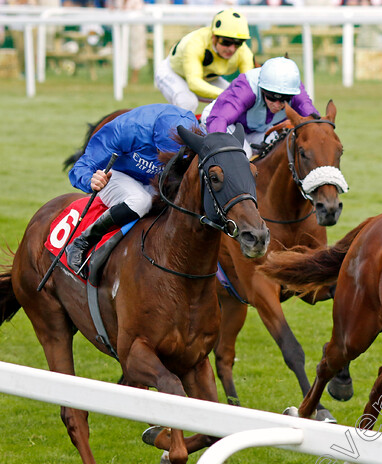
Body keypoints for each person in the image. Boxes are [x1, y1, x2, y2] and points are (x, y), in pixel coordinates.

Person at [65, 104, 201, 273]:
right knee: (141, 202)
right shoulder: (127, 128)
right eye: (164, 154)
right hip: (118, 175)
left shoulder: (196, 133)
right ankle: (81, 242)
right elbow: (81, 168)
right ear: (154, 140)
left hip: (155, 181)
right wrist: (91, 180)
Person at [202, 56, 318, 158]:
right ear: (262, 89)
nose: (277, 105)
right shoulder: (247, 89)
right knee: (243, 153)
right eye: (272, 97)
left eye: (284, 99)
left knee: (279, 151)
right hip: (220, 120)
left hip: (258, 129)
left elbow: (317, 123)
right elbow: (219, 119)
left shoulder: (296, 91)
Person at [154, 8, 255, 114]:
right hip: (173, 72)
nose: (232, 49)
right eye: (226, 42)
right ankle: (172, 129)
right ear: (214, 37)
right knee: (188, 102)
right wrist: (227, 94)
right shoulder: (195, 44)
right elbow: (194, 83)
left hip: (206, 78)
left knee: (237, 102)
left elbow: (247, 86)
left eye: (239, 43)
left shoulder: (244, 52)